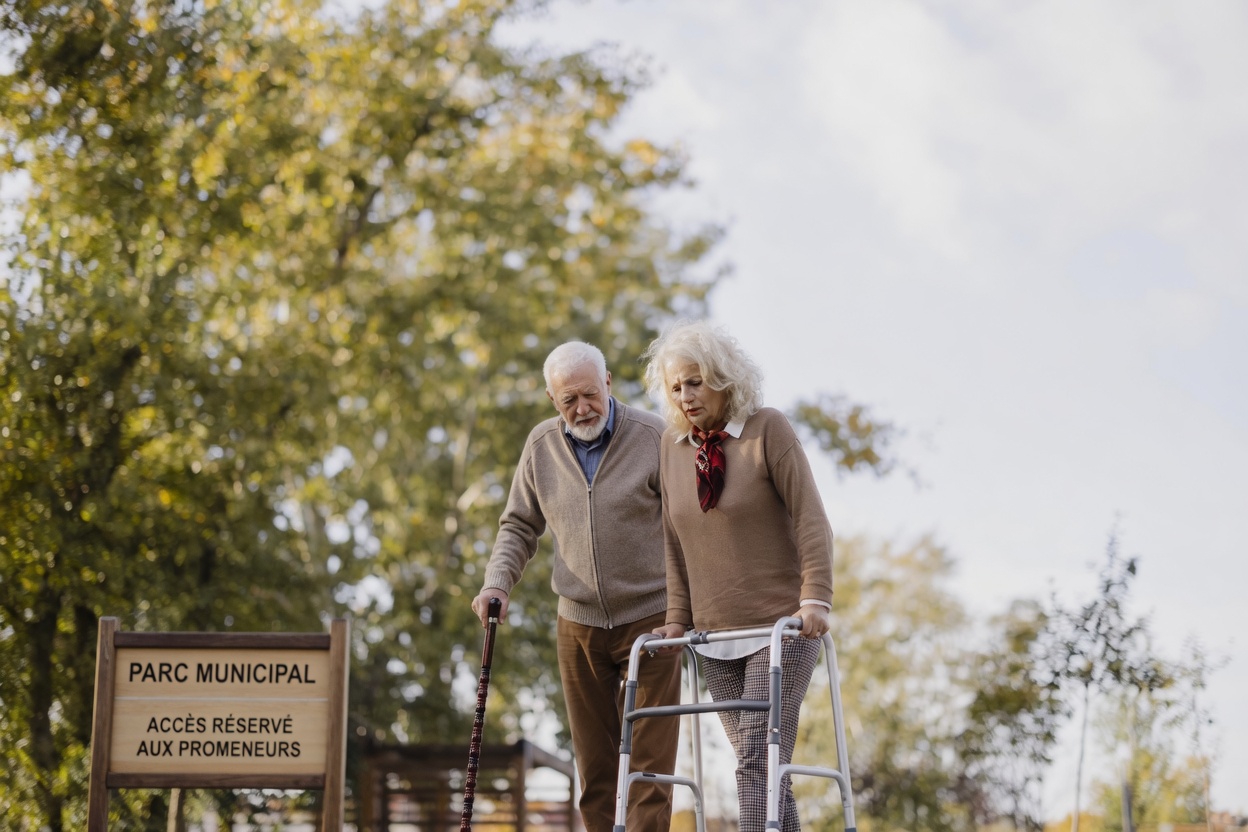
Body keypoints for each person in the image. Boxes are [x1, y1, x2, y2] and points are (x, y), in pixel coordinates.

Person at [471, 340, 682, 832]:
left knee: (650, 768)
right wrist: (497, 583)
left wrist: (688, 610)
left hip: (653, 619)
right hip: (579, 622)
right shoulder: (541, 447)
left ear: (608, 382)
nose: (582, 408)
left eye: (590, 394)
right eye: (569, 401)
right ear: (552, 400)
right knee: (596, 768)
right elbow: (519, 525)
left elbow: (687, 526)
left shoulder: (654, 436)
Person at [644, 321, 834, 832]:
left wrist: (816, 596)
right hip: (714, 637)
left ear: (725, 379)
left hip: (779, 630)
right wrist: (677, 619)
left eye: (696, 381)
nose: (685, 395)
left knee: (756, 762)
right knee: (765, 771)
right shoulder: (672, 448)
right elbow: (672, 540)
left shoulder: (767, 429)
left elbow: (810, 517)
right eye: (676, 386)